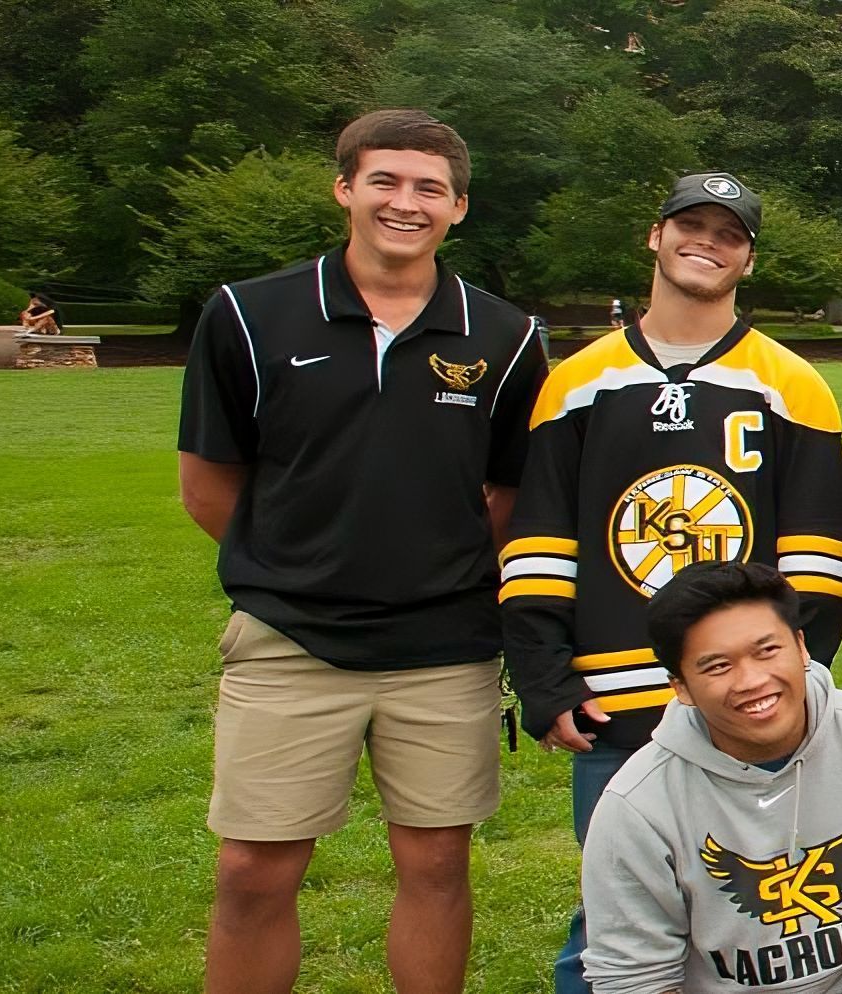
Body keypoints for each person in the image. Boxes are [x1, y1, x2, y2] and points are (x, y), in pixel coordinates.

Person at [179, 109, 548, 994]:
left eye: (429, 188)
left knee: (434, 866)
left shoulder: (505, 336)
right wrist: (305, 564)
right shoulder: (247, 314)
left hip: (445, 647)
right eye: (384, 180)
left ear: (459, 207)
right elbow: (209, 484)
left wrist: (430, 569)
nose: (405, 202)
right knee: (251, 871)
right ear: (345, 187)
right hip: (289, 637)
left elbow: (506, 494)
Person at [504, 170, 842, 994]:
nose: (707, 242)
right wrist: (545, 679)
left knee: (749, 914)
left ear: (749, 258)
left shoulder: (792, 383)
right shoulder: (578, 381)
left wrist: (786, 679)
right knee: (615, 918)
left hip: (749, 706)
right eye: (690, 225)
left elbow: (818, 557)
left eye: (728, 233)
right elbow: (541, 543)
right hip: (617, 704)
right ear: (655, 237)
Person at [579, 561, 842, 994]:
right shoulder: (637, 806)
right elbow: (633, 978)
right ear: (681, 687)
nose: (752, 680)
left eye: (767, 650)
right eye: (717, 666)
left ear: (802, 647)